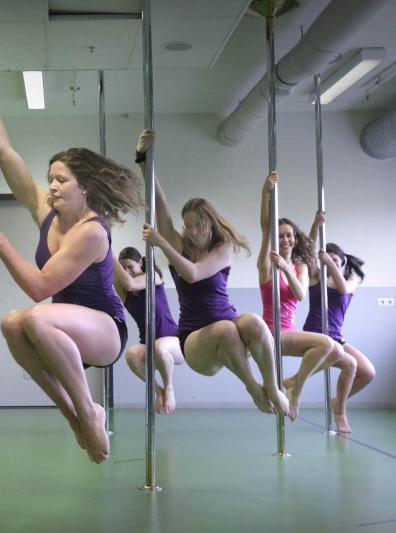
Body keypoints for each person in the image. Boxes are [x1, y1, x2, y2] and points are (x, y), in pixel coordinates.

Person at [0, 50, 142, 464]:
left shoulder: (91, 233)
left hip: (105, 331)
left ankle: (90, 413)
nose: (53, 187)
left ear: (85, 187)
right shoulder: (48, 213)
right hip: (61, 328)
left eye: (62, 180)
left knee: (31, 314)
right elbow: (5, 150)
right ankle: (73, 415)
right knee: (11, 323)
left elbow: (39, 287)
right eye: (50, 180)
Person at [137, 129, 290, 417]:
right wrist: (143, 157)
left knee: (254, 322)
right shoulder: (179, 244)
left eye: (198, 225)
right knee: (224, 329)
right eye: (187, 225)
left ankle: (272, 386)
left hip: (228, 328)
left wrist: (161, 245)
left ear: (210, 222)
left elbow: (194, 274)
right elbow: (159, 199)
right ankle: (254, 389)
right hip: (196, 342)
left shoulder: (223, 247)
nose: (192, 231)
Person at [256, 173, 343, 422]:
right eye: (280, 235)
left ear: (295, 238)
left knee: (336, 351)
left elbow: (301, 294)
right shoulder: (266, 264)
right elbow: (265, 227)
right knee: (326, 344)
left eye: (289, 235)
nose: (285, 239)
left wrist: (287, 267)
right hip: (271, 334)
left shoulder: (299, 268)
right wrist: (265, 192)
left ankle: (294, 381)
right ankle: (296, 392)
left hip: (290, 332)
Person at [302, 213, 375, 433]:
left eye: (336, 261)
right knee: (349, 365)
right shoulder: (316, 277)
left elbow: (343, 289)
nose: (330, 264)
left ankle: (336, 402)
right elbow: (307, 252)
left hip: (336, 337)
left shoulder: (350, 279)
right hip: (315, 334)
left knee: (367, 373)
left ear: (342, 263)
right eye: (328, 260)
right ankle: (340, 413)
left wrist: (330, 263)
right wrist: (315, 225)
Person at [113, 247, 183, 414]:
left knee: (159, 347)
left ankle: (169, 389)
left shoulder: (153, 277)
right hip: (149, 344)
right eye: (123, 269)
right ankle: (158, 391)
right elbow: (117, 278)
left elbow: (130, 284)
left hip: (174, 342)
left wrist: (111, 254)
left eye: (130, 267)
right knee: (131, 354)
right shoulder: (123, 290)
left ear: (140, 263)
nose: (127, 272)